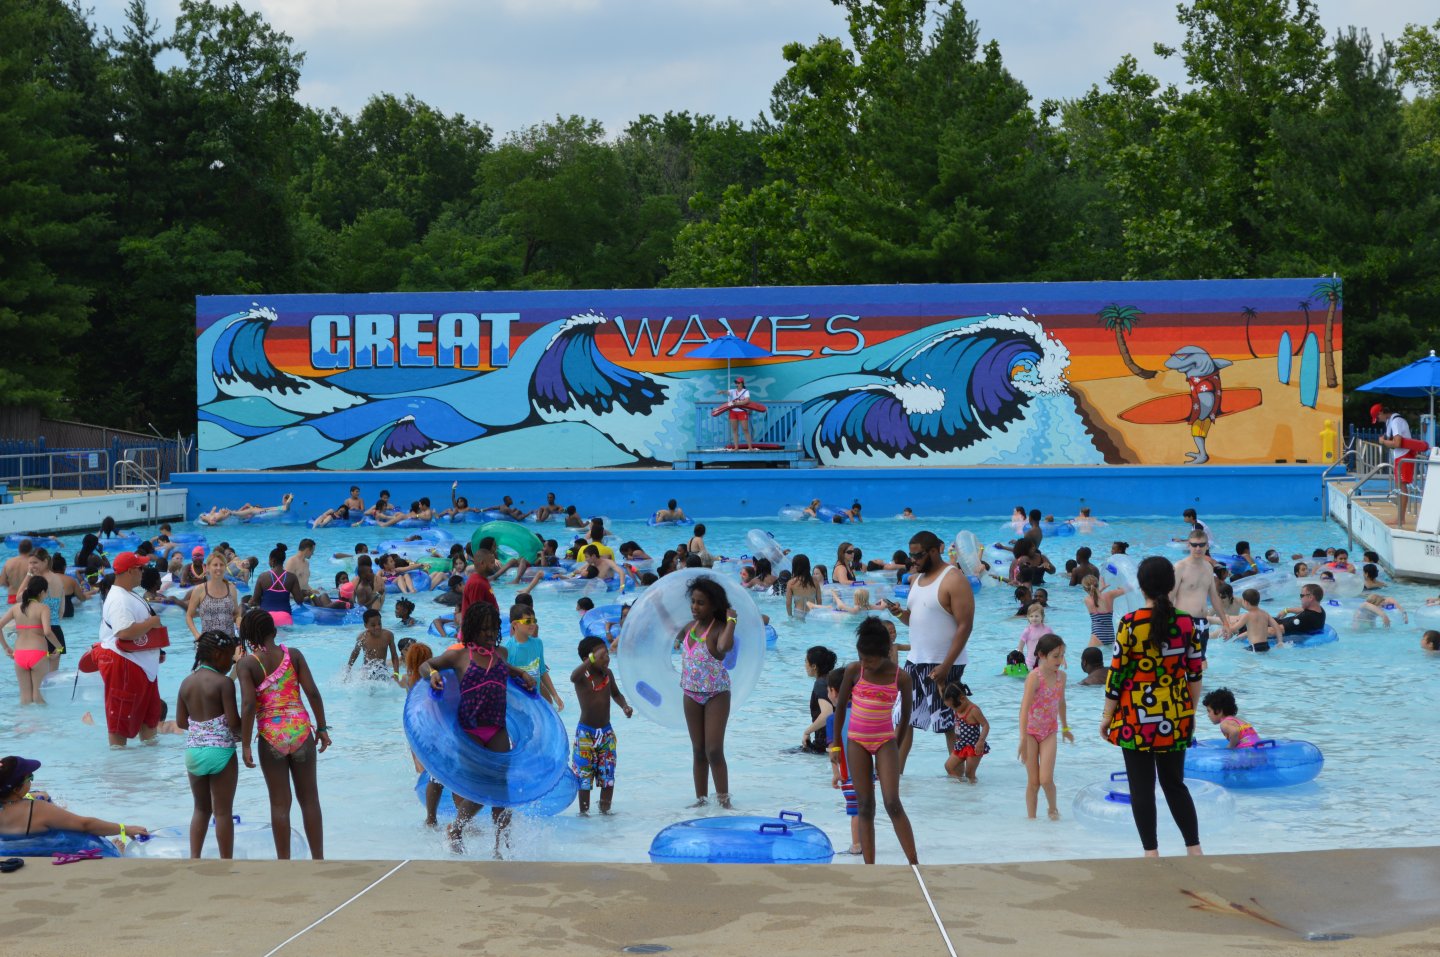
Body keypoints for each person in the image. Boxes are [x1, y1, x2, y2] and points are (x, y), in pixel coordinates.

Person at [1101, 555, 1204, 857]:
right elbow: (1195, 673)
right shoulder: (1187, 622)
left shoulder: (1130, 624)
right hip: (1175, 714)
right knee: (1175, 784)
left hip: (1135, 717)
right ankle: (1194, 850)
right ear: (1171, 586)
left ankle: (1151, 853)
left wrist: (1107, 717)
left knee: (1141, 788)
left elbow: (1116, 674)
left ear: (1141, 587)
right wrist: (1190, 712)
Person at [419, 603, 534, 855]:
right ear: (472, 630)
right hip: (470, 730)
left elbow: (506, 671)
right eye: (484, 631)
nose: (490, 635)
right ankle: (456, 829)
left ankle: (501, 846)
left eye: (493, 630)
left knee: (501, 788)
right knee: (481, 788)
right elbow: (425, 665)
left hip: (497, 728)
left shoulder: (500, 654)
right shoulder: (460, 655)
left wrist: (522, 675)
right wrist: (434, 675)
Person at [237, 609, 330, 860]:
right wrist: (321, 728)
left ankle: (284, 863)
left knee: (280, 804)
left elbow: (247, 705)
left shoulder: (246, 664)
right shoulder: (294, 655)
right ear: (275, 631)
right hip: (301, 732)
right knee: (309, 799)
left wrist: (245, 744)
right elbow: (312, 693)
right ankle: (318, 859)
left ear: (247, 635)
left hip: (270, 737)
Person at [884, 530, 975, 772]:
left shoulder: (953, 579)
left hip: (944, 664)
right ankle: (895, 776)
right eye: (911, 556)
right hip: (914, 662)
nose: (913, 560)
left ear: (935, 551)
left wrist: (945, 666)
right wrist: (900, 614)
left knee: (950, 723)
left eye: (918, 555)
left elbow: (965, 626)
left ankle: (960, 783)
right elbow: (916, 621)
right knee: (903, 720)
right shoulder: (916, 580)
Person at [832, 616, 917, 865]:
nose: (865, 664)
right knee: (865, 805)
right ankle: (870, 867)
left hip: (885, 742)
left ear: (884, 654)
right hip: (856, 742)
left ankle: (914, 863)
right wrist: (835, 744)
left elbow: (905, 718)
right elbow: (839, 710)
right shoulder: (853, 670)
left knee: (892, 802)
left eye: (869, 659)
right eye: (861, 658)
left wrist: (897, 746)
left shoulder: (901, 678)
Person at [176, 629, 242, 858]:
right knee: (223, 812)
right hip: (221, 752)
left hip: (194, 753)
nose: (230, 662)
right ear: (216, 654)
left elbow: (181, 722)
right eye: (229, 656)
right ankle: (226, 861)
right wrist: (244, 733)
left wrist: (202, 728)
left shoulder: (186, 683)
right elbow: (233, 722)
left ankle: (194, 858)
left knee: (201, 809)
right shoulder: (224, 683)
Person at [676, 576, 736, 809]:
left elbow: (723, 648)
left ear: (713, 606)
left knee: (713, 749)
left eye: (700, 603)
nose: (694, 607)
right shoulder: (689, 628)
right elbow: (666, 632)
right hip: (690, 692)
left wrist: (732, 621)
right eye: (693, 602)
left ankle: (724, 801)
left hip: (716, 694)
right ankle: (701, 800)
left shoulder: (718, 629)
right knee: (698, 750)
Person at [0, 756, 149, 848]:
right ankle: (117, 850)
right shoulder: (37, 809)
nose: (31, 782)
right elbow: (85, 825)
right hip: (40, 854)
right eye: (30, 778)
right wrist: (124, 828)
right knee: (102, 846)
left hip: (10, 850)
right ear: (16, 788)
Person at [96, 552, 167, 747]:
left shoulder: (128, 594)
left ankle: (147, 768)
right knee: (120, 725)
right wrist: (152, 622)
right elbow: (124, 632)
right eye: (140, 568)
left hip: (143, 666)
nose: (143, 572)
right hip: (126, 664)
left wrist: (155, 649)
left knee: (150, 719)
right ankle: (122, 772)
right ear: (130, 571)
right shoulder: (119, 599)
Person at [570, 636, 633, 814]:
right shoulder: (582, 676)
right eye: (602, 656)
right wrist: (591, 660)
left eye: (607, 654)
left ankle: (606, 814)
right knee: (584, 778)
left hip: (606, 734)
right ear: (588, 659)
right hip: (585, 735)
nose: (607, 659)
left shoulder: (608, 674)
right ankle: (584, 814)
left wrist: (624, 706)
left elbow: (616, 694)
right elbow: (572, 677)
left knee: (608, 777)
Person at [1018, 634, 1072, 820]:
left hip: (1049, 731)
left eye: (1062, 655)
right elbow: (1024, 709)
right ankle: (1031, 821)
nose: (1060, 660)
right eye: (1055, 656)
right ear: (1042, 655)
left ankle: (1052, 810)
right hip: (1030, 733)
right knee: (1034, 783)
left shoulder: (1061, 677)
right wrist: (1023, 739)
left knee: (1046, 779)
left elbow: (1061, 703)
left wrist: (1065, 728)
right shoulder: (1034, 677)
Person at [0, 577, 60, 705]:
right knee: (39, 698)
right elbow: (47, 632)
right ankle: (44, 724)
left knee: (25, 699)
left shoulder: (16, 608)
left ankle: (25, 724)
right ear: (42, 592)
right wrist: (59, 648)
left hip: (19, 655)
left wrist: (6, 647)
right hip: (37, 654)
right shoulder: (43, 608)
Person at [1172, 529, 1232, 657]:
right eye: (1194, 545)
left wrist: (1225, 623)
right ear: (1188, 545)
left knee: (1200, 664)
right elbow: (1169, 597)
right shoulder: (1180, 567)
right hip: (1183, 622)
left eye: (1201, 545)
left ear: (1207, 546)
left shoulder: (1208, 567)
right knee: (1181, 663)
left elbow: (1214, 597)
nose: (1198, 548)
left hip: (1203, 623)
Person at [504, 604, 563, 711]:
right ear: (515, 624)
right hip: (518, 704)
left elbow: (542, 671)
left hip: (535, 700)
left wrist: (555, 695)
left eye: (534, 621)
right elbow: (506, 679)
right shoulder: (508, 648)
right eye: (527, 621)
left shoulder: (538, 643)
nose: (532, 624)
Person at [184, 551, 242, 640]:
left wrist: (238, 623)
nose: (218, 568)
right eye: (215, 565)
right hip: (208, 644)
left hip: (229, 643)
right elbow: (189, 615)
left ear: (225, 567)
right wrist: (197, 635)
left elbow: (237, 613)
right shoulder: (199, 590)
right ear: (207, 568)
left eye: (221, 565)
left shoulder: (231, 588)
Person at [1373, 402, 1415, 524]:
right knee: (1400, 486)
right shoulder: (1390, 421)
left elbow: (1397, 443)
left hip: (1405, 455)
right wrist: (1385, 440)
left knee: (1402, 486)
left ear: (1381, 412)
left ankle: (1401, 519)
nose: (1378, 420)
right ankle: (1400, 517)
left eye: (1377, 417)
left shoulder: (1396, 421)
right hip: (1400, 456)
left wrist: (1383, 442)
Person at [942, 683, 990, 783]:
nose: (953, 710)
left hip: (974, 747)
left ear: (962, 698)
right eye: (951, 707)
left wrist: (981, 741)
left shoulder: (974, 710)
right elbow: (943, 694)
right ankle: (961, 788)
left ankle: (972, 793)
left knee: (969, 773)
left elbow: (985, 725)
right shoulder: (957, 705)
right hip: (961, 745)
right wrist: (939, 684)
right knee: (948, 766)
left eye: (954, 707)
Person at [800, 646, 838, 753]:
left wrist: (807, 732)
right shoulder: (833, 679)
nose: (805, 666)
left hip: (825, 744)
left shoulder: (820, 684)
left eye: (806, 662)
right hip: (838, 740)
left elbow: (827, 713)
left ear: (814, 666)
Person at [347, 609, 400, 680]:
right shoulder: (362, 637)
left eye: (379, 623)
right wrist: (348, 669)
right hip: (367, 670)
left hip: (382, 670)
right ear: (366, 625)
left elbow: (394, 655)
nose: (377, 627)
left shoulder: (388, 635)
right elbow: (355, 653)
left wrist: (396, 673)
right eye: (373, 625)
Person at [1081, 575, 1125, 649]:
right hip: (1111, 635)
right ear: (1097, 584)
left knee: (1088, 658)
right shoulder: (1110, 595)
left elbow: (1095, 596)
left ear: (1085, 589)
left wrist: (1101, 589)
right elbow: (1126, 589)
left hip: (1097, 636)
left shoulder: (1087, 600)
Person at [717, 375, 754, 449]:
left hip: (742, 411)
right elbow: (727, 392)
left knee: (745, 429)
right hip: (733, 412)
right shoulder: (733, 391)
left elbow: (747, 400)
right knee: (734, 430)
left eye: (738, 382)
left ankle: (750, 447)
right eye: (736, 382)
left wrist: (738, 403)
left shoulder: (746, 391)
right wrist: (722, 392)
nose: (737, 384)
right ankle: (736, 447)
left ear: (742, 383)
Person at [784, 554, 822, 618]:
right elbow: (819, 600)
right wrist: (819, 614)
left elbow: (788, 604)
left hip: (798, 613)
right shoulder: (815, 581)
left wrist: (790, 616)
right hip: (812, 613)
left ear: (794, 567)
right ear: (808, 566)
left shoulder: (791, 583)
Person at [1016, 602, 1049, 669]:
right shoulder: (1027, 631)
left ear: (1042, 617)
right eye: (1031, 616)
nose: (1034, 618)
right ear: (1028, 617)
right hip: (1030, 662)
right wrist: (1020, 661)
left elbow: (1055, 645)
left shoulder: (1047, 630)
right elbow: (1020, 647)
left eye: (1036, 616)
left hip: (1044, 662)